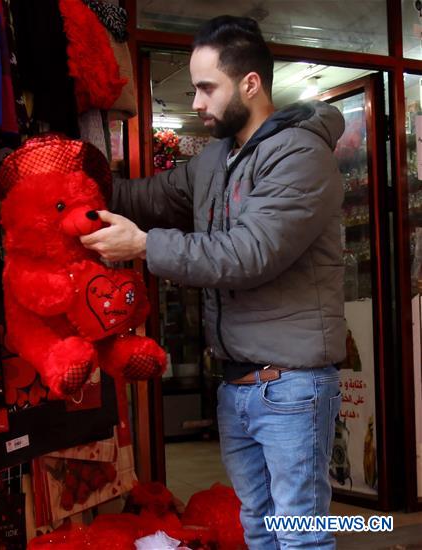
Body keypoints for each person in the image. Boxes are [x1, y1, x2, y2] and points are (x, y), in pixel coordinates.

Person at [81, 15, 346, 549]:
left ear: (250, 84)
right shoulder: (215, 160)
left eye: (206, 87)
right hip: (238, 384)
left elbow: (249, 254)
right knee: (257, 526)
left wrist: (145, 245)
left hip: (291, 384)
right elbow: (146, 199)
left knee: (299, 534)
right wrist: (70, 177)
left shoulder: (300, 155)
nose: (196, 102)